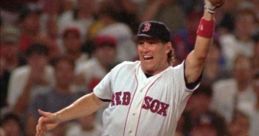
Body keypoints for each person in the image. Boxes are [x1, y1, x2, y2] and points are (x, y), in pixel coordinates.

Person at [36, 0, 224, 135]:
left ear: (167, 47)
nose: (144, 48)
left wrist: (208, 11)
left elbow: (199, 55)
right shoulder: (122, 70)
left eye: (151, 42)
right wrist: (59, 117)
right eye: (141, 42)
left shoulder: (177, 80)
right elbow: (95, 100)